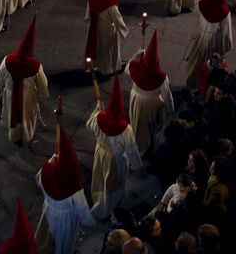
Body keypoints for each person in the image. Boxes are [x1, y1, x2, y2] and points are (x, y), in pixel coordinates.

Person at [87, 75, 143, 219]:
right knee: (112, 184)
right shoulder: (126, 129)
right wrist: (135, 164)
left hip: (100, 152)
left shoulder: (99, 118)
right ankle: (106, 207)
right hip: (115, 160)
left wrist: (97, 110)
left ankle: (96, 196)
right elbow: (131, 148)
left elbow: (89, 125)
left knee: (99, 175)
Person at [36, 124, 94, 254]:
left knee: (46, 237)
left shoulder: (47, 171)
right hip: (66, 217)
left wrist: (52, 160)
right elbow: (81, 207)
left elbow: (39, 180)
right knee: (64, 242)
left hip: (49, 210)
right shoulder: (74, 186)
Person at [0, 16, 49, 145]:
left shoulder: (7, 59)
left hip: (10, 93)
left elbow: (0, 76)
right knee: (26, 116)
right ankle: (26, 135)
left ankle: (14, 134)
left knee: (11, 114)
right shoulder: (35, 66)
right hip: (27, 97)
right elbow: (43, 83)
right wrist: (44, 93)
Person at [185, 0, 233, 89]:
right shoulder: (224, 13)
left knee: (197, 60)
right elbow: (225, 32)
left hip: (203, 36)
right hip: (214, 40)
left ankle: (192, 83)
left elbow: (197, 9)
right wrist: (226, 46)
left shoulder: (205, 3)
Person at [126, 31, 174, 155]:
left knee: (137, 122)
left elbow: (128, 68)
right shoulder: (161, 77)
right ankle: (149, 146)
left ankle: (138, 144)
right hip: (152, 104)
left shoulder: (135, 66)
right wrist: (170, 110)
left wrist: (138, 54)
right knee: (153, 126)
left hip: (136, 99)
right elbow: (166, 94)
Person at [85, 0, 129, 75]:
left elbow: (89, 8)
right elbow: (117, 19)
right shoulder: (110, 3)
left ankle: (94, 64)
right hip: (108, 29)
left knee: (96, 46)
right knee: (108, 49)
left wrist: (88, 17)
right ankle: (108, 68)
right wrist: (123, 30)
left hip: (95, 25)